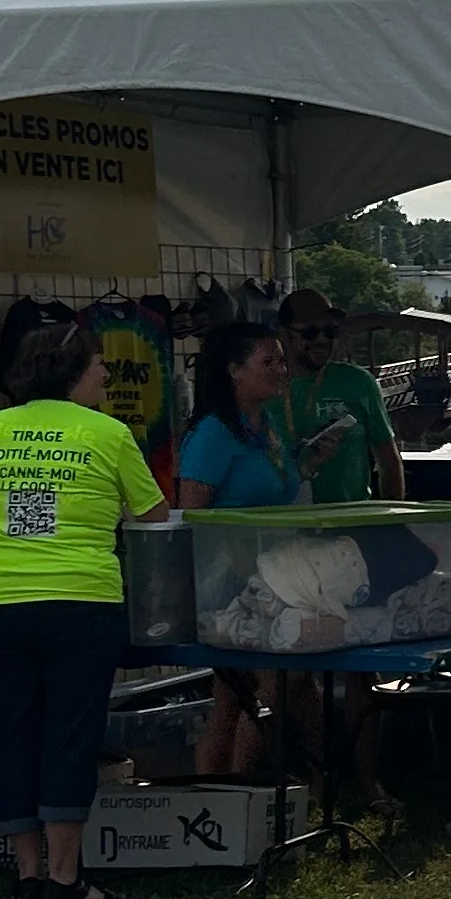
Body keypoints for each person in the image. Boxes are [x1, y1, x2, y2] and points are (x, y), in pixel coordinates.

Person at [0, 317, 164, 899]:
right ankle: (65, 876)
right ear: (74, 368)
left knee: (11, 734)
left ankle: (26, 874)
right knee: (69, 735)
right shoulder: (109, 433)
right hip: (80, 598)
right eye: (98, 362)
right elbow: (153, 515)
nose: (106, 371)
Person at [180, 318, 304, 778]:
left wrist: (307, 463)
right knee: (270, 688)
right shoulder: (214, 432)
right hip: (232, 587)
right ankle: (241, 789)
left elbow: (273, 490)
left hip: (274, 579)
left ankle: (217, 791)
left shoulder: (268, 426)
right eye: (267, 361)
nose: (280, 369)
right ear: (234, 370)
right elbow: (191, 512)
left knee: (234, 698)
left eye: (281, 360)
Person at [279, 292, 403, 504]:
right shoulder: (263, 386)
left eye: (330, 330)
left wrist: (392, 525)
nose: (322, 339)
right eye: (310, 332)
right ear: (283, 334)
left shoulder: (359, 382)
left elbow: (389, 462)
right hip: (282, 524)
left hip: (350, 523)